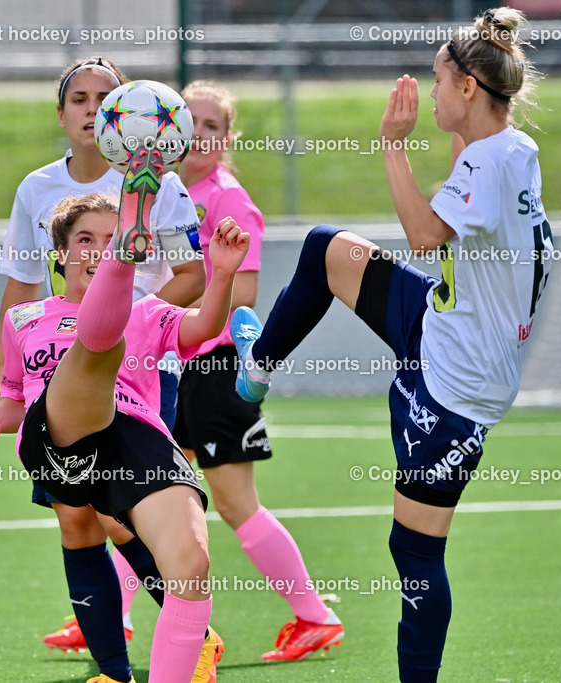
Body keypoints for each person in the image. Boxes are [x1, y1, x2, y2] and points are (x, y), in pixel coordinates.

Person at [229, 8, 551, 681]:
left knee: (414, 550)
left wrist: (393, 144)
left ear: (467, 86)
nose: (429, 93)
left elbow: (426, 236)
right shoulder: (513, 148)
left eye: (438, 80)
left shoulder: (492, 161)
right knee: (328, 250)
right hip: (444, 320)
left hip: (453, 380)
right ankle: (256, 371)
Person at [0, 154, 250, 682]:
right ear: (61, 253)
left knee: (190, 565)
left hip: (131, 440)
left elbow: (203, 326)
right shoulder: (25, 319)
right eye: (87, 239)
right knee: (94, 347)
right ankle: (115, 670)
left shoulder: (147, 312)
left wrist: (221, 274)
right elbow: (18, 398)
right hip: (58, 440)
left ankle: (178, 662)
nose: (95, 249)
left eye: (111, 239)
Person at [0, 55, 206, 662]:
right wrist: (1, 375)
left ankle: (191, 629)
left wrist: (125, 326)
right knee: (76, 523)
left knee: (119, 518)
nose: (92, 109)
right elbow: (22, 284)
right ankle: (114, 663)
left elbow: (193, 275)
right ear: (61, 115)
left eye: (104, 98)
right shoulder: (37, 189)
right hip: (49, 375)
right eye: (78, 99)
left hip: (135, 370)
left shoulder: (159, 179)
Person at [167, 80, 343, 662]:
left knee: (234, 502)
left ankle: (314, 616)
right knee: (150, 491)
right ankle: (106, 619)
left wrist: (167, 317)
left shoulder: (229, 200)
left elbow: (241, 295)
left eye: (212, 125)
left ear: (227, 137)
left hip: (215, 367)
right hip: (174, 366)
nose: (198, 133)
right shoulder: (162, 193)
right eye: (188, 121)